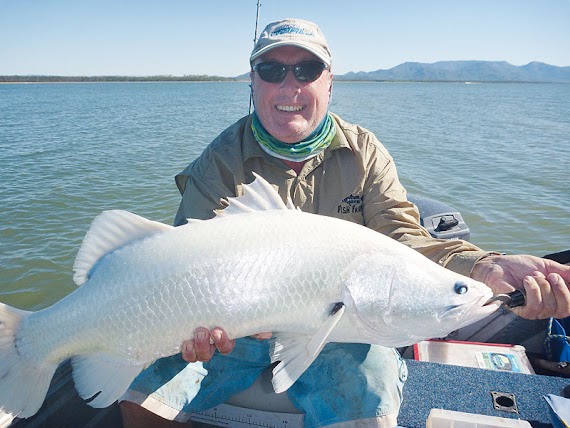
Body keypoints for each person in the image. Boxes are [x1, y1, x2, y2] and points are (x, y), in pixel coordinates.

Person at [119, 18, 570, 427]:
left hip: (342, 328)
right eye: (272, 71)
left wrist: (483, 268)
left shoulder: (364, 152)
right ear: (252, 82)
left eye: (307, 70)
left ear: (329, 82)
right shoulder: (219, 161)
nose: (289, 85)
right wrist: (193, 324)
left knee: (368, 400)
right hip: (235, 329)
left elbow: (403, 235)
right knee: (137, 396)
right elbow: (188, 260)